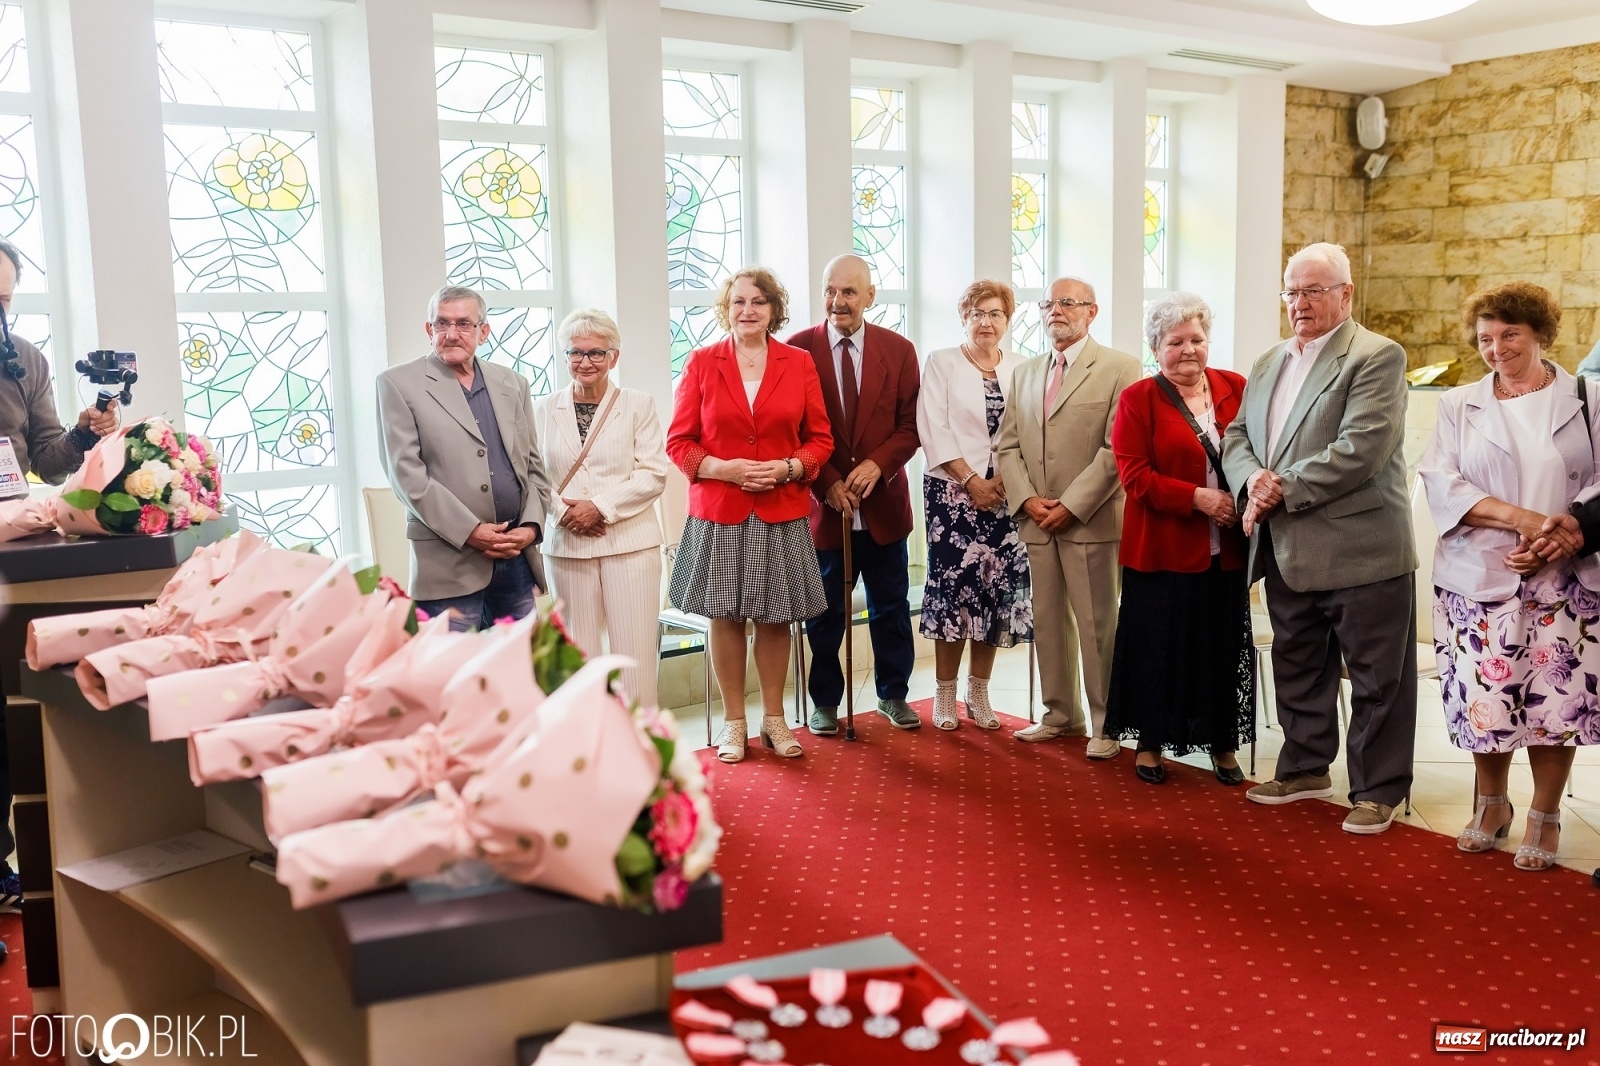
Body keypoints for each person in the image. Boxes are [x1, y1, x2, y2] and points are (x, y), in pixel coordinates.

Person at [1220, 242, 1417, 835]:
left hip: (1361, 547)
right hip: (1284, 544)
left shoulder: (1376, 356)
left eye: (1313, 291)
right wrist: (1250, 479)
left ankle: (1377, 789)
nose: (1299, 303)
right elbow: (1236, 435)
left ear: (1346, 294)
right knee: (1299, 663)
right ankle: (1306, 767)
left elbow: (1362, 446)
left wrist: (1279, 487)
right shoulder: (1268, 361)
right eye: (1292, 292)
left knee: (1378, 678)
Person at [1419, 281, 1597, 871]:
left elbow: (1599, 484)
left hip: (1564, 578)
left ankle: (1545, 816)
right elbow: (1442, 481)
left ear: (1540, 333)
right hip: (1480, 574)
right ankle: (1491, 805)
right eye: (1486, 338)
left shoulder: (1587, 399)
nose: (1497, 348)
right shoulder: (1459, 403)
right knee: (1485, 698)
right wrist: (1522, 521)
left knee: (1557, 704)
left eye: (1510, 335)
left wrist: (1557, 538)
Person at [666, 267, 832, 762]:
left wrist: (787, 467)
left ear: (773, 309)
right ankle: (735, 722)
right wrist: (726, 468)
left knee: (777, 618)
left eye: (758, 301)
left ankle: (775, 720)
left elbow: (820, 440)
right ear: (726, 309)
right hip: (721, 509)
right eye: (738, 302)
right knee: (726, 617)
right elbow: (679, 443)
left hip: (781, 508)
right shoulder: (700, 362)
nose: (747, 310)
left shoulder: (798, 363)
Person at [0, 238, 120, 916]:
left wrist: (84, 434)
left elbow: (45, 461)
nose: (0, 315)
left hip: (16, 556)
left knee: (11, 725)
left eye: (7, 302)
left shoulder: (27, 362)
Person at [1103, 294, 1253, 785]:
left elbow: (1258, 450)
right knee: (1159, 648)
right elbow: (1135, 477)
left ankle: (1222, 745)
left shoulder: (1236, 388)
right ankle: (1150, 743)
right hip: (1161, 551)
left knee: (1220, 647)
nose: (1189, 350)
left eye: (1197, 340)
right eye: (1176, 342)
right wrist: (1199, 499)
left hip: (1227, 552)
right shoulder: (1138, 399)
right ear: (1155, 347)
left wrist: (1242, 497)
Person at [997, 277, 1141, 757]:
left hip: (1090, 520)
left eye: (1067, 303)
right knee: (1049, 620)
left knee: (1098, 622)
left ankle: (1107, 723)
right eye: (1048, 304)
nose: (1055, 311)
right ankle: (1061, 715)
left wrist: (1071, 505)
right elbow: (1008, 445)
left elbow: (1116, 450)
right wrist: (1030, 501)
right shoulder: (1026, 372)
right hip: (1036, 519)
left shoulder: (1121, 367)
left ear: (1091, 311)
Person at [786, 254, 922, 734]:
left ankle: (894, 695)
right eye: (830, 290)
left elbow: (910, 428)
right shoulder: (797, 350)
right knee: (823, 614)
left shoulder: (900, 350)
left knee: (891, 607)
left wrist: (876, 465)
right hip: (824, 508)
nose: (837, 301)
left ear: (869, 296)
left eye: (848, 292)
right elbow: (794, 430)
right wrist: (827, 484)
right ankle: (825, 701)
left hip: (884, 505)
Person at [377, 284, 550, 630]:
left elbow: (533, 466)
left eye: (463, 324)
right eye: (442, 324)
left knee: (519, 673)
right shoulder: (398, 384)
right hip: (448, 563)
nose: (452, 334)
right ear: (429, 330)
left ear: (483, 331)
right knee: (449, 677)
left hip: (516, 557)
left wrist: (531, 527)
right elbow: (407, 477)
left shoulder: (512, 383)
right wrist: (472, 532)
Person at [534, 309, 669, 706]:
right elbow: (531, 473)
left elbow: (654, 474)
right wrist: (562, 513)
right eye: (576, 353)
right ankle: (587, 752)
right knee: (579, 656)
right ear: (564, 357)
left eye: (596, 353)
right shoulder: (542, 409)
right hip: (567, 546)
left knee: (634, 657)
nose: (585, 362)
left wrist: (600, 507)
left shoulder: (638, 404)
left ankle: (643, 747)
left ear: (614, 356)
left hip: (629, 544)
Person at [916, 280, 1033, 730]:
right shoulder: (942, 362)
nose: (987, 322)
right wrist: (971, 480)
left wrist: (1003, 480)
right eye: (978, 313)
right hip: (951, 494)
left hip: (1006, 495)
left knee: (996, 593)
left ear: (1008, 319)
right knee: (953, 593)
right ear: (963, 318)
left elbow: (1024, 431)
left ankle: (978, 693)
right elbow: (933, 427)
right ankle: (945, 695)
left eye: (996, 314)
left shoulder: (1022, 366)